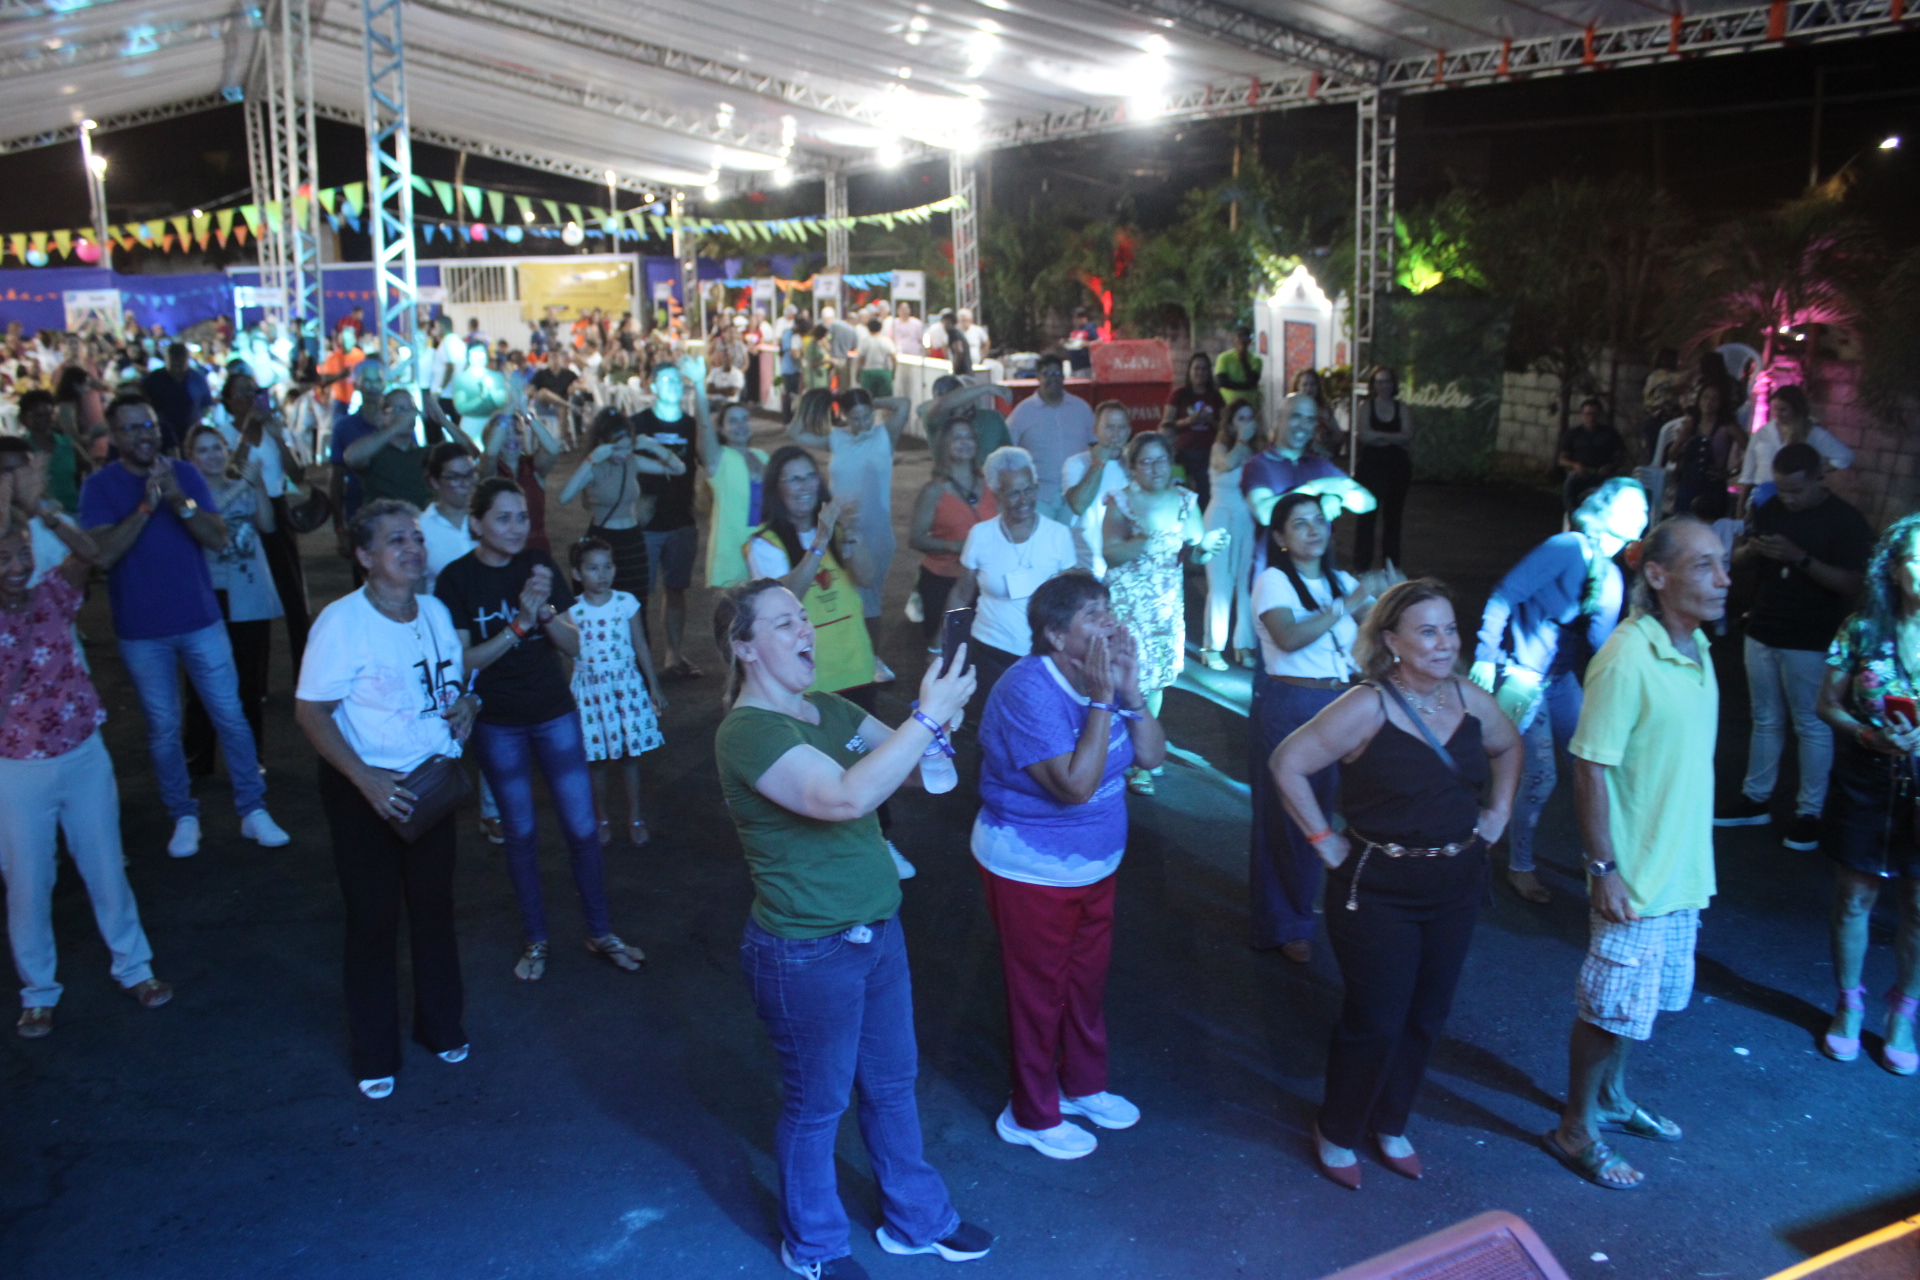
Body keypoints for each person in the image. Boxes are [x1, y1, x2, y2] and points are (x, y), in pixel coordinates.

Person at [712, 580, 995, 1278]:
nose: (806, 629)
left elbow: (920, 775)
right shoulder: (747, 732)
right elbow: (843, 797)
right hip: (805, 952)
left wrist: (937, 727)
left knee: (893, 1085)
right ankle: (813, 1245)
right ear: (745, 648)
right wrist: (926, 719)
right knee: (818, 1106)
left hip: (876, 931)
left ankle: (917, 1221)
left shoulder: (831, 708)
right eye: (784, 623)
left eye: (803, 618)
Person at [1270, 579, 1521, 1188]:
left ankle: (1391, 1121)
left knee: (1427, 1015)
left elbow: (1509, 746)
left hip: (1456, 883)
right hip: (1377, 889)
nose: (1444, 643)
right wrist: (1322, 840)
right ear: (1392, 641)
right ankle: (1337, 1129)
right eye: (1427, 632)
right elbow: (1287, 763)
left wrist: (1498, 812)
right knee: (1377, 1018)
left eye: (1450, 629)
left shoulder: (1470, 698)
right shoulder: (1367, 706)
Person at [1546, 516, 1729, 1190]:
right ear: (1658, 575)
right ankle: (1575, 1128)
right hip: (1635, 875)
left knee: (1639, 1003)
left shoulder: (1697, 646)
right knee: (1607, 1005)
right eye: (1705, 565)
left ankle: (1613, 1100)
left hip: (1680, 869)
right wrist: (1604, 870)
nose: (1723, 579)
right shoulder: (1627, 656)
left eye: (1724, 563)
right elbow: (1590, 767)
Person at [973, 570, 1164, 1160]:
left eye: (1108, 608)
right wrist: (1104, 700)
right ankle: (1030, 1114)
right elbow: (1074, 787)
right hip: (1031, 870)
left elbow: (1152, 755)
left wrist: (1130, 692)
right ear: (1056, 636)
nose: (1109, 622)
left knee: (1084, 984)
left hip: (1095, 868)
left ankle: (1082, 1085)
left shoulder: (1104, 677)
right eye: (1091, 614)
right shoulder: (1027, 688)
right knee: (1038, 993)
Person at [295, 498, 479, 1099]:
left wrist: (468, 704)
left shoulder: (435, 610)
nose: (413, 549)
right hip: (365, 791)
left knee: (434, 908)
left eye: (417, 539)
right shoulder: (342, 623)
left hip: (429, 787)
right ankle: (375, 1052)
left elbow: (452, 683)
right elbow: (311, 711)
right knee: (373, 918)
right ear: (365, 556)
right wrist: (364, 778)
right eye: (396, 540)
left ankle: (441, 1024)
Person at [434, 478, 646, 982]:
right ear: (476, 523)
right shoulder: (457, 579)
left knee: (582, 828)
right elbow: (464, 661)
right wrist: (519, 625)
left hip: (554, 710)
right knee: (521, 833)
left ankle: (600, 931)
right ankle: (536, 939)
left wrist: (544, 613)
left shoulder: (538, 565)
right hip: (497, 720)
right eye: (503, 518)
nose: (516, 527)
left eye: (522, 517)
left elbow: (573, 646)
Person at [79, 394, 289, 858]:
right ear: (114, 437)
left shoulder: (184, 474)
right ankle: (183, 814)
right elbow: (103, 556)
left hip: (201, 619)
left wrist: (180, 501)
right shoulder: (99, 487)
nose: (144, 435)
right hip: (141, 629)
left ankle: (253, 808)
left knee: (231, 715)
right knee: (163, 727)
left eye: (149, 425)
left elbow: (217, 538)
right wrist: (146, 507)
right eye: (132, 428)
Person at [0, 507, 172, 1040]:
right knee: (28, 883)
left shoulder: (53, 591)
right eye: (3, 558)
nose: (17, 566)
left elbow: (91, 554)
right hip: (17, 768)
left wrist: (41, 513)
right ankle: (38, 992)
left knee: (105, 868)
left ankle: (135, 967)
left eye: (22, 553)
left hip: (82, 755)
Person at [1469, 478, 1649, 903]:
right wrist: (1484, 655)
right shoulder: (1568, 548)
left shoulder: (1611, 575)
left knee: (1595, 766)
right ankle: (1517, 864)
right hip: (1522, 676)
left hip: (1559, 680)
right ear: (1604, 509)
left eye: (1645, 508)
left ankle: (1601, 860)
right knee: (1535, 774)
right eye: (1632, 506)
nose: (1642, 515)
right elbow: (1505, 594)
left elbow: (1603, 647)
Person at [1248, 491, 1390, 959]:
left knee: (1342, 808)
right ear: (1280, 537)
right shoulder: (1273, 581)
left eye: (1319, 520)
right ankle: (1286, 924)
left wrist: (1393, 596)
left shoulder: (1340, 580)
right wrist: (1347, 604)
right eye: (1300, 523)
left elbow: (1379, 629)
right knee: (1289, 816)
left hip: (1342, 702)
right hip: (1293, 701)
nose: (1314, 530)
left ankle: (1331, 907)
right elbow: (1288, 637)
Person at [1714, 443, 1873, 849]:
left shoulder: (1846, 521)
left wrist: (1800, 558)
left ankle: (1810, 813)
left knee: (1811, 724)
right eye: (1782, 489)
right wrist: (1752, 551)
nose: (1788, 499)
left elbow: (1852, 584)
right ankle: (1756, 798)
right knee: (1765, 719)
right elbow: (1739, 556)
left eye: (1797, 490)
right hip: (1763, 625)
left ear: (1819, 477)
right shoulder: (1772, 508)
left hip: (1810, 636)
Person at [1814, 513, 1920, 1073]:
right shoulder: (1862, 630)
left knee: (1919, 906)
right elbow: (1826, 704)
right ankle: (1849, 1004)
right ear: (1895, 570)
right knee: (1854, 897)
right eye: (1918, 559)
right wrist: (1866, 734)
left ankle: (1904, 1012)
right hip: (1867, 781)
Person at [1101, 433, 1227, 793]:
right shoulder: (1121, 501)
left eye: (1161, 461)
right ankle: (1122, 751)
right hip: (1128, 605)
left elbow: (1194, 554)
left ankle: (1142, 755)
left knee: (1155, 680)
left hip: (1165, 607)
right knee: (1128, 680)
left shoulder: (1186, 500)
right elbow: (1110, 553)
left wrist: (1207, 547)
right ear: (1133, 467)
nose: (1155, 469)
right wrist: (1145, 540)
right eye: (1146, 462)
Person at [182, 425, 284, 776]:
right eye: (203, 450)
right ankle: (198, 757)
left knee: (248, 682)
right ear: (191, 458)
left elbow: (267, 525)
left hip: (247, 593)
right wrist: (243, 484)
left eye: (217, 448)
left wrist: (256, 485)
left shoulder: (243, 486)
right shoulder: (187, 498)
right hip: (206, 594)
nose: (212, 455)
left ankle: (251, 758)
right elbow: (210, 518)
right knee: (201, 679)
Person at [952, 447, 1080, 715]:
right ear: (997, 494)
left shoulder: (1058, 535)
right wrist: (944, 646)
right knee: (990, 722)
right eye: (1013, 493)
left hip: (1043, 653)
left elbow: (1069, 600)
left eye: (1029, 490)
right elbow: (961, 593)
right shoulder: (981, 535)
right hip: (990, 649)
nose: (1024, 500)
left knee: (1039, 722)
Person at [791, 387, 912, 648]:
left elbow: (903, 404)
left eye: (867, 416)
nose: (863, 423)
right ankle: (847, 652)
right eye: (855, 418)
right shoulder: (836, 438)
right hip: (838, 529)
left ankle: (872, 656)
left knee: (870, 599)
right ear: (844, 416)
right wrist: (811, 403)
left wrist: (868, 400)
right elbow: (795, 433)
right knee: (840, 592)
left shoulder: (884, 434)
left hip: (876, 531)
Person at [567, 537, 664, 847]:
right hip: (590, 691)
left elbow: (640, 645)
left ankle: (635, 817)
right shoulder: (573, 610)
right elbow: (565, 652)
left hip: (624, 687)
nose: (602, 574)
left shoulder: (626, 602)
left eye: (607, 566)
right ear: (577, 573)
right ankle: (602, 818)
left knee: (628, 756)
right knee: (596, 760)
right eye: (593, 568)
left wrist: (654, 685)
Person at [557, 408, 685, 623]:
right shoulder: (594, 467)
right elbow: (564, 497)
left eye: (627, 448)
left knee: (636, 606)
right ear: (603, 445)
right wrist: (590, 460)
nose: (623, 454)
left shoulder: (631, 462)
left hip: (633, 543)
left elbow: (678, 469)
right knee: (601, 608)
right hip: (604, 541)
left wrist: (652, 445)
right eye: (617, 449)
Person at [631, 359, 706, 678]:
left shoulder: (691, 425)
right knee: (637, 596)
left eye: (677, 379)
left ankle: (674, 656)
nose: (673, 385)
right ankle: (636, 660)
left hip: (681, 519)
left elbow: (709, 459)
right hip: (645, 523)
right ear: (652, 386)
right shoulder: (638, 423)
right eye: (665, 380)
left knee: (676, 590)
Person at [1242, 393, 1373, 574]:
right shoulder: (1259, 464)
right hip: (1273, 574)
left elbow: (1367, 502)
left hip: (1317, 574)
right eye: (1296, 416)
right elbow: (1264, 513)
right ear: (1280, 419)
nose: (1302, 425)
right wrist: (1316, 488)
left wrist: (1336, 497)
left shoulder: (1319, 465)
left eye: (1310, 419)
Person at [908, 415, 996, 653]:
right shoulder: (933, 491)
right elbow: (915, 537)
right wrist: (954, 546)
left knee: (982, 650)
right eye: (957, 438)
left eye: (969, 437)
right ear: (944, 445)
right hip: (944, 579)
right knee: (949, 649)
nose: (964, 442)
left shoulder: (990, 485)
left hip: (984, 580)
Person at [1202, 399, 1261, 671]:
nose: (1246, 423)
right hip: (1219, 517)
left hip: (1246, 518)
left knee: (1245, 584)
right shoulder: (1220, 448)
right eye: (1240, 418)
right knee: (1220, 584)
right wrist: (1242, 440)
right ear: (1230, 423)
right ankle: (1213, 646)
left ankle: (1244, 643)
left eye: (1250, 418)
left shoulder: (1257, 452)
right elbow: (1226, 465)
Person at [1737, 383, 1854, 512]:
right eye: (1775, 409)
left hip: (1796, 502)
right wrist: (1741, 504)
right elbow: (1748, 471)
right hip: (1763, 497)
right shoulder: (1763, 432)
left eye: (1783, 410)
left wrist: (1814, 471)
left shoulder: (1812, 433)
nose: (1778, 414)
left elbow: (1844, 456)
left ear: (1795, 409)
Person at [1007, 353, 1096, 521]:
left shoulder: (1081, 408)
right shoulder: (1022, 412)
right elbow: (1008, 450)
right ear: (1038, 377)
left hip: (1077, 494)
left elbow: (1095, 445)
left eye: (1057, 373)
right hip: (1039, 497)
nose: (1052, 378)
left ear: (1063, 376)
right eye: (1047, 374)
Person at [697, 395, 770, 589]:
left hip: (765, 548)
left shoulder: (763, 456)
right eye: (733, 421)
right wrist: (699, 387)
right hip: (731, 552)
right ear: (721, 429)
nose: (741, 425)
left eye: (745, 419)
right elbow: (704, 427)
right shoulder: (719, 459)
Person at [1060, 400, 1131, 580]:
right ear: (1095, 430)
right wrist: (1099, 463)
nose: (1115, 434)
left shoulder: (1136, 465)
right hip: (1087, 563)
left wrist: (1133, 467)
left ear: (1129, 431)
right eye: (1109, 427)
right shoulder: (1076, 463)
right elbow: (1078, 505)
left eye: (1121, 428)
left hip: (1126, 562)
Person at [1351, 367, 1414, 570]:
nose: (1383, 386)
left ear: (1393, 384)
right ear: (1373, 385)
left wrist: (1378, 435)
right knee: (1366, 518)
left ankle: (1391, 568)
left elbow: (1408, 436)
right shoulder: (1366, 406)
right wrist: (1393, 438)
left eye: (1387, 381)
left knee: (1393, 519)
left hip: (1397, 469)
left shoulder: (1401, 407)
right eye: (1378, 381)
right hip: (1370, 468)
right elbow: (1364, 435)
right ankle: (1362, 568)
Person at [1160, 352, 1226, 509]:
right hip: (1183, 453)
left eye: (1204, 369)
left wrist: (1211, 421)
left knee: (1205, 495)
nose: (1200, 372)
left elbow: (1226, 427)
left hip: (1209, 453)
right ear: (1189, 371)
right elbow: (1165, 425)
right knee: (1182, 494)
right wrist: (1187, 421)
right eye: (1196, 368)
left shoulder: (1216, 396)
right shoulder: (1179, 394)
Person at [420, 442, 478, 597]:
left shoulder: (488, 518)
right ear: (434, 482)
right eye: (455, 477)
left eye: (470, 474)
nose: (466, 484)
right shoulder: (422, 528)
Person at [16, 389, 89, 513]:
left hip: (75, 511)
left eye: (48, 414)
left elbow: (89, 467)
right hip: (39, 516)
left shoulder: (67, 444)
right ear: (24, 418)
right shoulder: (20, 449)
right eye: (38, 415)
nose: (44, 419)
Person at [141, 342, 212, 454]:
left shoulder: (197, 379)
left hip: (190, 434)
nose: (177, 364)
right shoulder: (153, 380)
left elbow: (205, 406)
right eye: (174, 360)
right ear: (166, 359)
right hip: (162, 436)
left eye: (180, 360)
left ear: (187, 359)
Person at [1558, 397, 1626, 515]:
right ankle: (1573, 514)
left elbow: (1622, 457)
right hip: (1581, 472)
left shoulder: (1610, 433)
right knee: (1570, 483)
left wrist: (1610, 466)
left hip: (1603, 472)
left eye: (1594, 414)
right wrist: (1576, 465)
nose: (1591, 418)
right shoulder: (1573, 434)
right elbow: (1562, 459)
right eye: (1587, 414)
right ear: (1581, 415)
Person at [1214, 325, 1263, 412]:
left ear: (1249, 341)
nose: (1242, 340)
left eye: (1246, 337)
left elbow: (1252, 382)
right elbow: (1222, 382)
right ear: (1233, 339)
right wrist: (1245, 386)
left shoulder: (1256, 361)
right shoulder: (1223, 358)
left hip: (1249, 406)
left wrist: (1243, 358)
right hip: (1228, 406)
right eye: (1240, 336)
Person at [857, 317, 895, 398]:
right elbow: (894, 357)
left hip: (868, 372)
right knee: (885, 399)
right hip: (884, 372)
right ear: (880, 328)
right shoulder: (886, 340)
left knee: (868, 398)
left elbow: (860, 359)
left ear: (868, 328)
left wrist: (857, 372)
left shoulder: (865, 341)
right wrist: (893, 372)